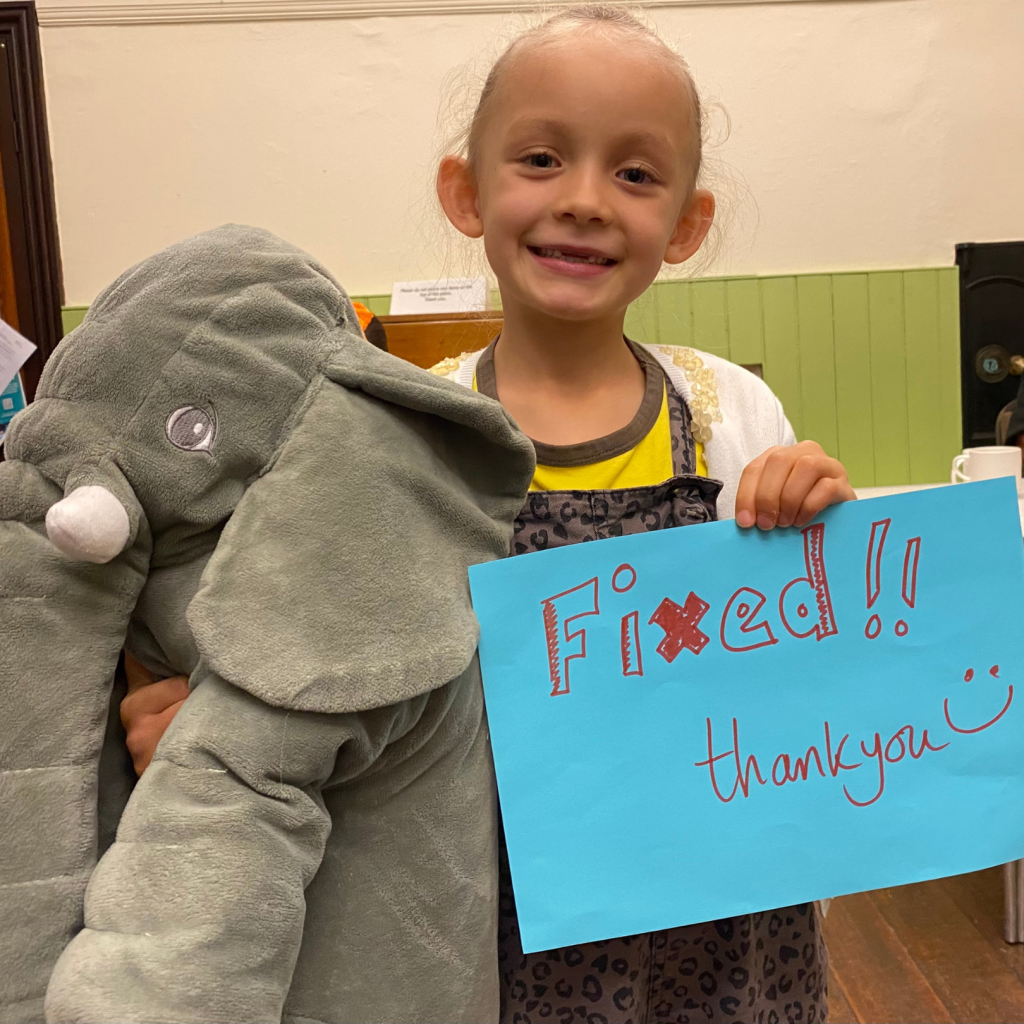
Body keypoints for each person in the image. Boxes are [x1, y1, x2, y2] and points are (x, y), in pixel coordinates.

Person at [123, 8, 854, 1022]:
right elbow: (326, 649)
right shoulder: (403, 430)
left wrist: (820, 526)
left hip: (717, 909)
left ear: (686, 224)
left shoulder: (733, 414)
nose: (587, 201)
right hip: (486, 908)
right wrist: (221, 726)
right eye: (543, 158)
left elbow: (808, 667)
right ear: (466, 193)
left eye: (637, 175)